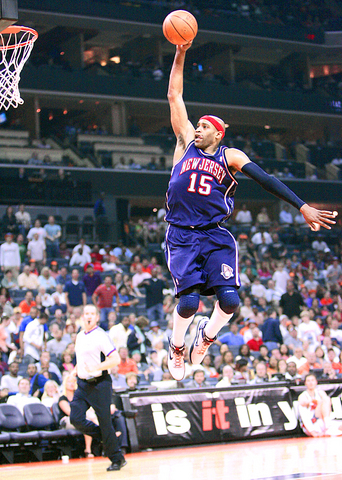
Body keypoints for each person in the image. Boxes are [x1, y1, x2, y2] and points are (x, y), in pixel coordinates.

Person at [164, 42, 336, 381]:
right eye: (196, 125)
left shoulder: (231, 156)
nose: (196, 128)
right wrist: (181, 52)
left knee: (229, 302)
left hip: (214, 234)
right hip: (181, 233)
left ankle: (206, 338)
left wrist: (301, 205)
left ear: (218, 132)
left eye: (203, 126)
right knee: (187, 305)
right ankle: (176, 345)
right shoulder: (184, 143)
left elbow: (266, 179)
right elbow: (174, 95)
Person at [70, 304, 126, 471]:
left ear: (96, 317)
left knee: (105, 422)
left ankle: (117, 459)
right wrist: (74, 372)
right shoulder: (79, 335)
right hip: (82, 384)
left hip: (100, 384)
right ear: (82, 316)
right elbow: (81, 360)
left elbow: (115, 359)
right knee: (76, 418)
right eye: (86, 313)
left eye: (92, 313)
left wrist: (96, 368)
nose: (88, 316)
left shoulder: (101, 335)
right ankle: (106, 439)